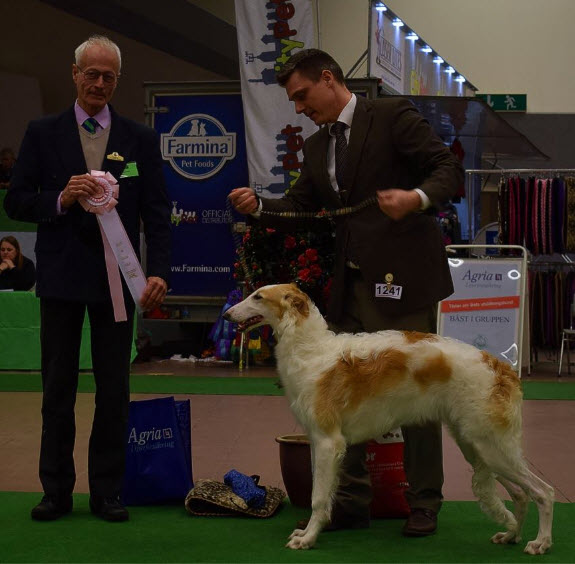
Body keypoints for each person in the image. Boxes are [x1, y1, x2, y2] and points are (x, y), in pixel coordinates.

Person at [229, 49, 464, 537]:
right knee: (344, 396)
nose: (298, 108)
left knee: (416, 395)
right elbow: (298, 206)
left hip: (406, 283)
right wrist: (258, 206)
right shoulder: (317, 148)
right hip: (350, 289)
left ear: (329, 78)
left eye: (301, 96)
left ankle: (423, 502)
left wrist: (416, 199)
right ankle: (349, 502)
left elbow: (446, 168)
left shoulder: (391, 115)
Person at [3, 35, 171, 522]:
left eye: (109, 76)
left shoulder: (139, 138)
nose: (99, 83)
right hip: (59, 280)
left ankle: (107, 492)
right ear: (74, 73)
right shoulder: (41, 132)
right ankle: (55, 490)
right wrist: (61, 197)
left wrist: (158, 270)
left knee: (114, 389)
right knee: (57, 389)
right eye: (91, 73)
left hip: (118, 284)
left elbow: (158, 212)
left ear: (117, 80)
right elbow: (17, 201)